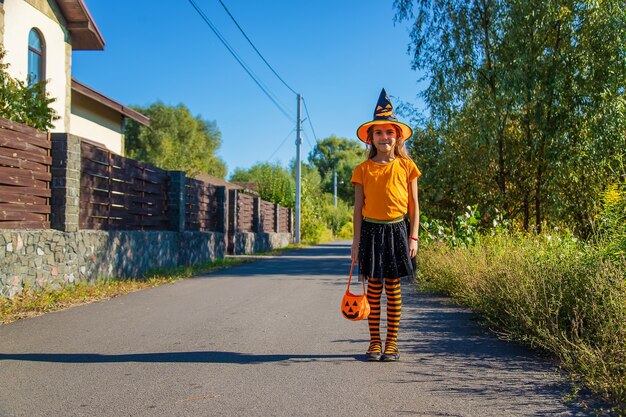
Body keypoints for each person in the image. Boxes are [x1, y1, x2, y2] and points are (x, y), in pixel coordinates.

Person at [351, 88, 420, 362]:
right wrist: (355, 244)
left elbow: (414, 206)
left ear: (398, 136)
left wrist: (413, 237)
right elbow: (357, 209)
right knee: (374, 288)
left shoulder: (407, 166)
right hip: (370, 231)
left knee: (393, 288)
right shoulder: (362, 170)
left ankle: (392, 343)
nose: (384, 137)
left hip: (397, 231)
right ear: (370, 138)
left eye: (389, 132)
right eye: (378, 133)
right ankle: (374, 342)